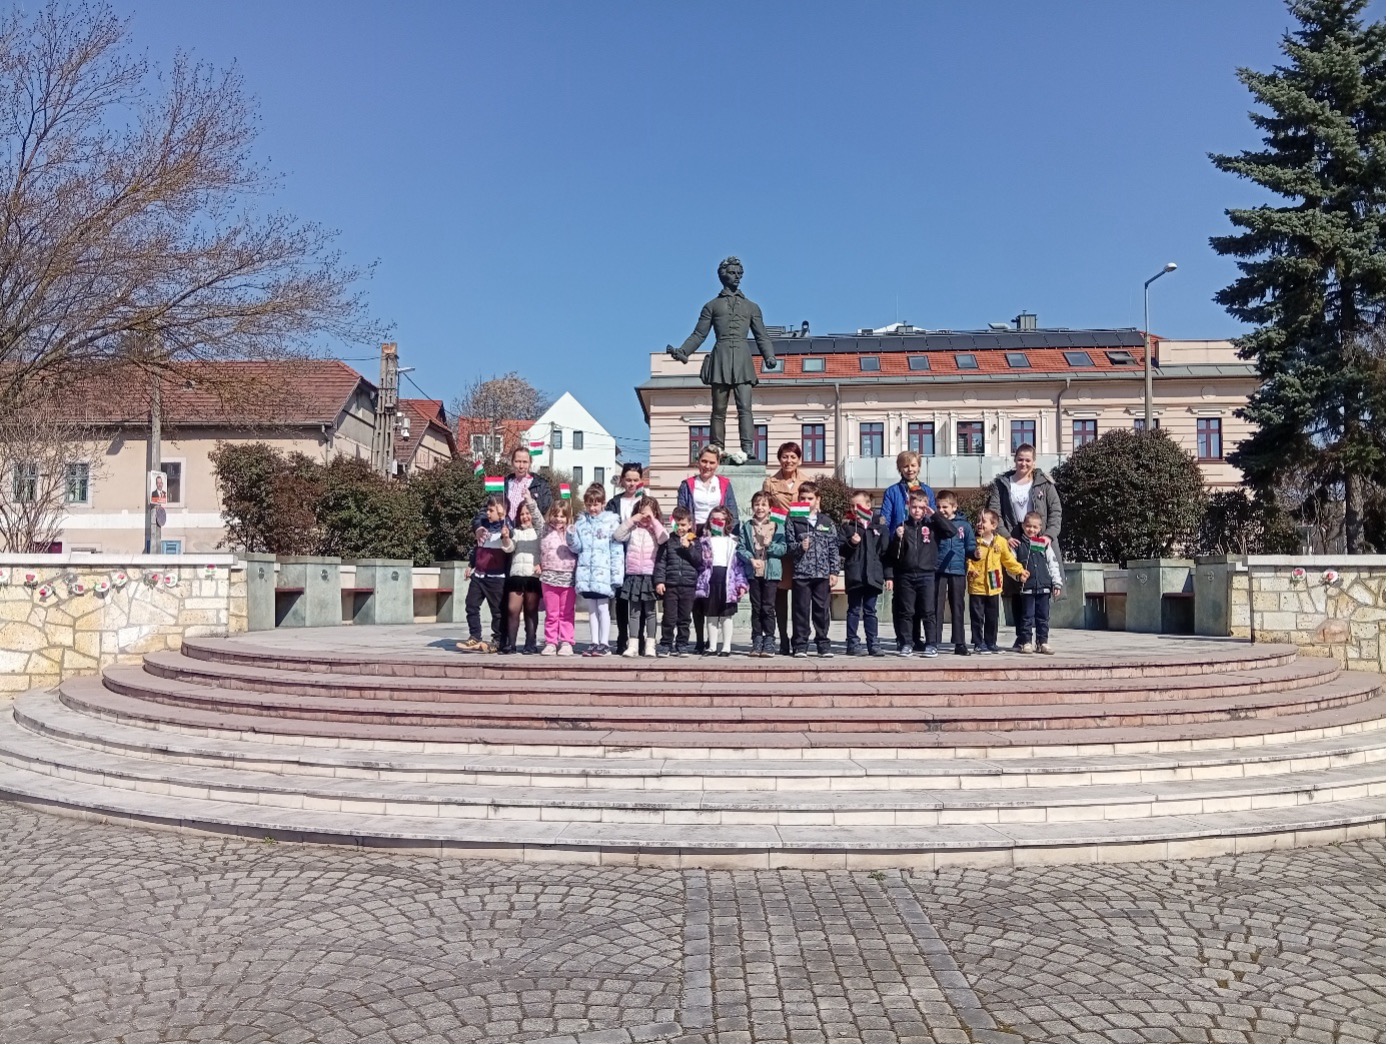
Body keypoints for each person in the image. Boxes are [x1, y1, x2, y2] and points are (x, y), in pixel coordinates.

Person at [664, 256, 778, 462]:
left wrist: (769, 355)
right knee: (718, 410)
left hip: (742, 359)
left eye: (739, 273)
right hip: (721, 358)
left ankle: (748, 448)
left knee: (745, 408)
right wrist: (684, 351)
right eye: (732, 273)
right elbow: (699, 334)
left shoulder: (752, 307)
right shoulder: (712, 306)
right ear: (722, 276)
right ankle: (716, 449)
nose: (737, 277)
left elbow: (761, 335)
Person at [985, 443, 1063, 631]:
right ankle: (1022, 635)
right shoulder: (1002, 483)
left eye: (1028, 460)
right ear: (1015, 460)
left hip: (1039, 538)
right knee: (1017, 585)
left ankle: (1041, 636)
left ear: (1034, 462)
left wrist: (1049, 536)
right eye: (1020, 459)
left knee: (1041, 583)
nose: (1024, 463)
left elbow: (1056, 512)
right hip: (1014, 538)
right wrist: (1005, 535)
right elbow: (995, 513)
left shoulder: (1044, 483)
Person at [676, 445, 740, 653]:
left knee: (712, 588)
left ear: (717, 464)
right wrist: (688, 535)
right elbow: (682, 511)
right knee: (698, 590)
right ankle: (700, 639)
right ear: (698, 461)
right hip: (695, 537)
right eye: (704, 461)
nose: (707, 466)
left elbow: (732, 512)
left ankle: (717, 640)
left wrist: (729, 536)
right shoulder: (687, 484)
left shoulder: (724, 484)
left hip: (716, 537)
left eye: (712, 462)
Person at [880, 450, 938, 650]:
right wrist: (893, 536)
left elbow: (932, 516)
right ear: (900, 468)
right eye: (905, 466)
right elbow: (886, 518)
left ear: (919, 467)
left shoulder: (927, 490)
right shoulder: (892, 491)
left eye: (913, 465)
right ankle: (904, 639)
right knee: (903, 601)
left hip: (921, 548)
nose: (909, 469)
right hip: (900, 547)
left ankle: (918, 638)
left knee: (922, 602)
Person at [886, 490, 954, 658]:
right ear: (909, 507)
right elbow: (893, 554)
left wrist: (935, 515)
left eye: (921, 507)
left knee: (928, 611)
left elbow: (951, 531)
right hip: (906, 575)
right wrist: (897, 538)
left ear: (926, 508)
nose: (917, 511)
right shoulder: (903, 526)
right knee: (906, 611)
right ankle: (907, 643)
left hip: (927, 574)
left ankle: (931, 644)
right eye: (914, 507)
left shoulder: (932, 525)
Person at [762, 441, 809, 656]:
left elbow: (813, 509)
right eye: (785, 456)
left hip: (800, 540)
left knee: (800, 594)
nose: (788, 461)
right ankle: (782, 638)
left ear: (799, 459)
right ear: (779, 458)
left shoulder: (806, 481)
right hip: (779, 538)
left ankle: (800, 640)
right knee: (779, 594)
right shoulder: (770, 482)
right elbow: (765, 510)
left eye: (793, 457)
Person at [785, 480, 841, 658]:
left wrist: (834, 571)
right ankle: (800, 645)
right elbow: (788, 545)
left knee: (822, 611)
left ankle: (823, 644)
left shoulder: (826, 521)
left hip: (822, 573)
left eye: (810, 498)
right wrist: (799, 547)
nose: (806, 501)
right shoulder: (793, 519)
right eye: (802, 498)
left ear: (817, 499)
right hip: (801, 573)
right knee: (801, 610)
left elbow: (833, 547)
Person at [571, 483, 625, 657]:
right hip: (587, 575)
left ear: (603, 504)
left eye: (596, 504)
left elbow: (616, 550)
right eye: (589, 504)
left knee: (603, 608)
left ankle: (604, 643)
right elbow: (576, 548)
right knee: (592, 610)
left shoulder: (611, 522)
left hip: (603, 574)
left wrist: (616, 575)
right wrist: (570, 535)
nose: (592, 508)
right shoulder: (581, 523)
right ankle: (594, 642)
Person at [967, 509, 1027, 655]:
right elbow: (966, 559)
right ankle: (978, 643)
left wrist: (1020, 570)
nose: (979, 524)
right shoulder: (973, 541)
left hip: (994, 582)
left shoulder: (1001, 541)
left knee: (992, 616)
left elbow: (1008, 560)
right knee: (977, 616)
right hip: (977, 584)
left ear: (994, 525)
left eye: (983, 521)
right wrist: (971, 568)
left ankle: (991, 642)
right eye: (978, 521)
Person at [614, 495, 668, 657]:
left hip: (650, 575)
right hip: (634, 575)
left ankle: (651, 645)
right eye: (642, 513)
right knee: (634, 612)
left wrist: (654, 521)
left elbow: (664, 538)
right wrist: (632, 520)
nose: (645, 518)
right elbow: (618, 535)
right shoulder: (633, 529)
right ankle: (633, 644)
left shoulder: (655, 531)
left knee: (651, 612)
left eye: (648, 514)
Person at [839, 490, 890, 657]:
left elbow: (885, 553)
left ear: (868, 506)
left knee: (870, 610)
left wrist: (888, 575)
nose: (855, 509)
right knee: (854, 610)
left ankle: (873, 643)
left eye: (858, 505)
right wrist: (851, 543)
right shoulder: (847, 526)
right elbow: (841, 550)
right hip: (855, 575)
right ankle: (852, 643)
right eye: (852, 506)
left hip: (873, 575)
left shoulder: (879, 526)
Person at [737, 491, 788, 658]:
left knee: (768, 607)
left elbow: (783, 548)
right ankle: (757, 639)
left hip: (771, 572)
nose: (760, 508)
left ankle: (769, 640)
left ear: (770, 508)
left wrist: (770, 545)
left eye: (764, 504)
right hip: (754, 572)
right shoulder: (747, 526)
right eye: (757, 504)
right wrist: (750, 559)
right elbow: (740, 548)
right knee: (756, 607)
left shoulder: (777, 526)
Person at [456, 496, 509, 653]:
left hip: (496, 578)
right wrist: (471, 564)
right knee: (471, 605)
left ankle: (498, 640)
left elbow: (510, 541)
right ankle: (475, 636)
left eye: (491, 510)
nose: (488, 513)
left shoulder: (505, 528)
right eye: (487, 510)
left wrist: (505, 531)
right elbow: (478, 548)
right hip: (479, 576)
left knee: (497, 611)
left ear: (501, 511)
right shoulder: (483, 527)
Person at [695, 506, 748, 656]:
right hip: (710, 580)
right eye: (714, 520)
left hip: (727, 581)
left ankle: (726, 646)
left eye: (721, 519)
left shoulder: (733, 541)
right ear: (709, 521)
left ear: (727, 521)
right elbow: (699, 563)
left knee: (726, 615)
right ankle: (712, 646)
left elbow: (738, 566)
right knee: (711, 615)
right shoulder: (704, 541)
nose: (718, 522)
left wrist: (741, 584)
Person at [606, 462, 646, 653]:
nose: (631, 484)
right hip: (619, 554)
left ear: (641, 481)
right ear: (622, 480)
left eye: (635, 480)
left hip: (641, 554)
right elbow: (609, 528)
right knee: (621, 598)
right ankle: (622, 636)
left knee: (640, 599)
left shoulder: (646, 501)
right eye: (628, 480)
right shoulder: (614, 502)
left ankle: (639, 638)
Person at [931, 490, 977, 657]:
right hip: (939, 569)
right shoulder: (934, 523)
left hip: (957, 570)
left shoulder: (964, 525)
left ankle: (959, 642)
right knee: (936, 606)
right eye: (938, 507)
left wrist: (974, 554)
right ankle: (933, 640)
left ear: (954, 507)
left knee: (957, 606)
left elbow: (970, 545)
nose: (941, 510)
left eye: (945, 507)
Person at [1013, 511, 1063, 655]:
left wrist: (1057, 583)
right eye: (1028, 526)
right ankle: (1026, 641)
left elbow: (1052, 563)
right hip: (1027, 587)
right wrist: (1018, 575)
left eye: (1035, 527)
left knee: (1043, 617)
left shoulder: (1043, 544)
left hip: (1044, 587)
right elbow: (1011, 564)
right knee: (1027, 616)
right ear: (1023, 526)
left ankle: (1042, 641)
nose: (1031, 530)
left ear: (1040, 528)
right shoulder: (1017, 545)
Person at [655, 507, 700, 657]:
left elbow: (699, 561)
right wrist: (660, 581)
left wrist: (689, 548)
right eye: (677, 524)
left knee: (684, 617)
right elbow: (661, 562)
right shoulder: (668, 541)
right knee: (669, 617)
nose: (680, 528)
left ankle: (682, 644)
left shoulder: (695, 541)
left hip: (688, 585)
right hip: (671, 584)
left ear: (690, 525)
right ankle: (666, 643)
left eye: (683, 525)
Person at [500, 501, 542, 654]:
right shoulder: (515, 532)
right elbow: (509, 548)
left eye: (527, 513)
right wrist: (505, 538)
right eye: (522, 514)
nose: (525, 517)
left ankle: (530, 643)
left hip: (532, 576)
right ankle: (511, 643)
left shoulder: (539, 532)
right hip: (516, 576)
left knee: (531, 610)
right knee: (512, 609)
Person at [538, 502, 580, 656]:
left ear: (568, 517)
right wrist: (529, 500)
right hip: (549, 577)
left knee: (566, 612)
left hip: (568, 578)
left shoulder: (572, 531)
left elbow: (578, 547)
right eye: (555, 515)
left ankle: (566, 641)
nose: (558, 519)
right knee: (552, 613)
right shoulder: (545, 529)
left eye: (563, 516)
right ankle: (551, 642)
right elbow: (535, 516)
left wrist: (571, 532)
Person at [503, 445, 553, 525]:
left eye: (525, 462)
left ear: (530, 463)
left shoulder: (541, 485)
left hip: (530, 531)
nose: (521, 466)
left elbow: (546, 512)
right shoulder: (504, 484)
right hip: (506, 530)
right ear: (512, 462)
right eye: (518, 461)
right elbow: (488, 508)